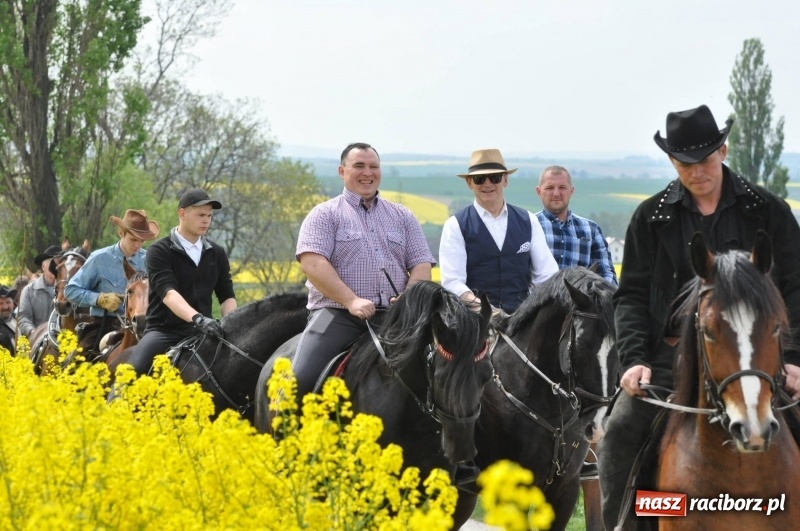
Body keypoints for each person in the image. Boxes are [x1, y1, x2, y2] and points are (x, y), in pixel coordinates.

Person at [597, 104, 800, 530]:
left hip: (761, 361)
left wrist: (795, 358)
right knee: (618, 433)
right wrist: (634, 359)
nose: (696, 170)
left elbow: (797, 289)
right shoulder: (650, 219)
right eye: (684, 162)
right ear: (672, 161)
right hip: (669, 363)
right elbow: (631, 296)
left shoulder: (768, 211)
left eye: (705, 158)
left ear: (723, 151)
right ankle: (628, 523)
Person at [292, 142, 436, 400]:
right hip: (336, 315)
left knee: (450, 370)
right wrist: (351, 300)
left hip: (397, 320)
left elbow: (421, 263)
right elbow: (312, 263)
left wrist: (410, 299)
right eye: (359, 166)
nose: (367, 173)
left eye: (373, 166)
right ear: (342, 171)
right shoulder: (324, 215)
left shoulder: (403, 216)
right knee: (299, 380)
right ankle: (285, 435)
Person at [127, 189, 236, 376]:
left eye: (209, 216)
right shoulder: (159, 251)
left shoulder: (216, 252)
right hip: (164, 332)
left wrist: (232, 324)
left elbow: (227, 296)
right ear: (182, 214)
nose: (206, 220)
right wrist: (198, 319)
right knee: (131, 372)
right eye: (201, 215)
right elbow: (168, 294)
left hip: (206, 333)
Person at [439, 148, 558, 313]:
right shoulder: (455, 225)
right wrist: (486, 310)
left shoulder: (529, 220)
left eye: (494, 177)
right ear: (469, 183)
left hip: (522, 319)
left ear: (505, 180)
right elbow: (452, 282)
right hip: (474, 321)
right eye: (480, 179)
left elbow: (547, 275)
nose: (488, 184)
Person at [65, 210, 160, 359]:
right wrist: (100, 299)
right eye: (133, 239)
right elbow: (70, 290)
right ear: (121, 233)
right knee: (76, 364)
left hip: (145, 326)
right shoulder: (99, 258)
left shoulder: (151, 260)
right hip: (104, 325)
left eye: (142, 241)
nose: (138, 245)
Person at [535, 165, 617, 285]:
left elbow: (606, 273)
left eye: (562, 187)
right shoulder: (528, 227)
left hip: (580, 302)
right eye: (549, 188)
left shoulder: (591, 230)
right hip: (538, 302)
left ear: (571, 191)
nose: (556, 193)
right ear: (539, 192)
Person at [16, 245, 61, 338]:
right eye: (52, 264)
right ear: (43, 266)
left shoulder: (70, 290)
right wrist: (33, 332)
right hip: (39, 344)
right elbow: (23, 317)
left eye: (59, 264)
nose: (55, 268)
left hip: (67, 342)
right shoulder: (29, 291)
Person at [0, 285, 18, 353]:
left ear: (13, 303)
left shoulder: (18, 319)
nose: (5, 307)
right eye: (1, 303)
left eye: (8, 302)